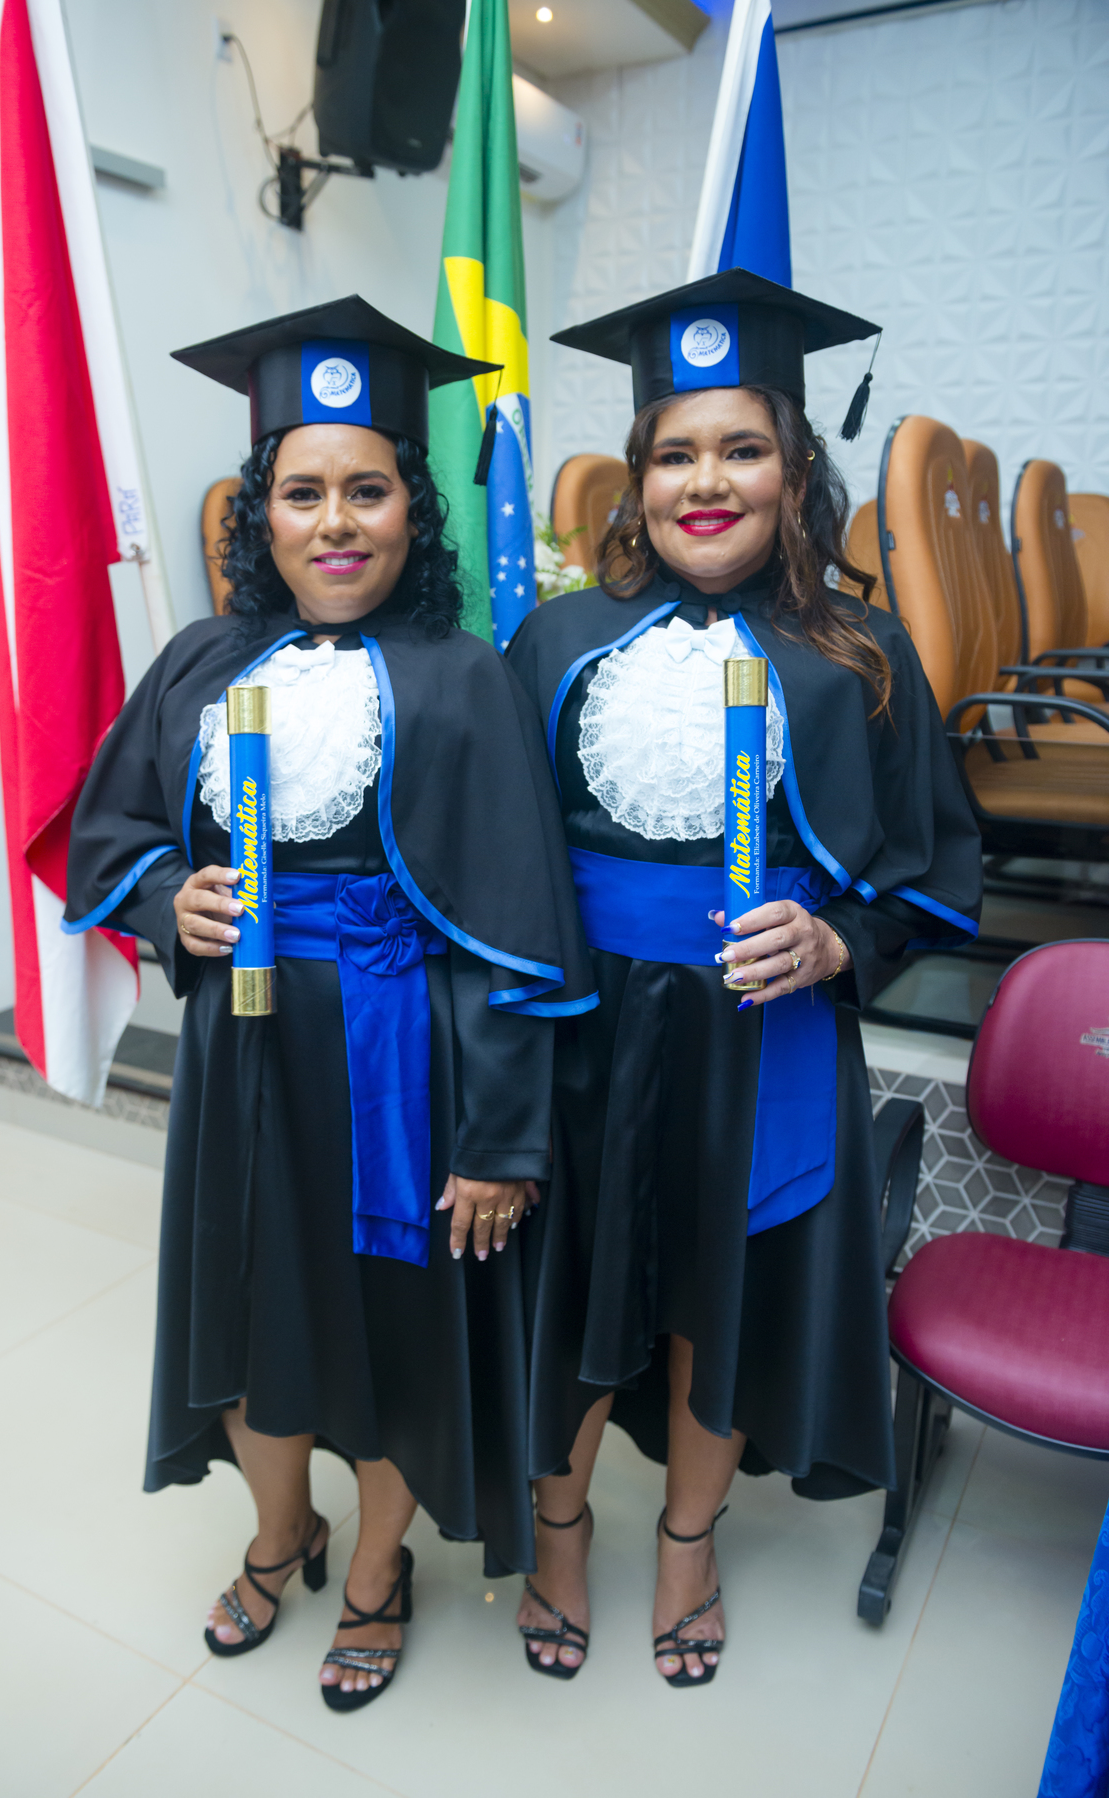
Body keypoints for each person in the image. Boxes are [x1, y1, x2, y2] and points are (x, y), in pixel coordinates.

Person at [64, 297, 595, 1712]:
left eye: (369, 489)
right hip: (241, 1056)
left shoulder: (464, 677)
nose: (336, 521)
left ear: (414, 510)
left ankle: (372, 1567)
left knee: (387, 1327)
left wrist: (501, 1135)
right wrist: (166, 895)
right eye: (303, 492)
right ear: (262, 512)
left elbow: (516, 929)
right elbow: (113, 834)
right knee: (246, 1307)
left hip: (401, 1055)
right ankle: (277, 1528)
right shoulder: (198, 661)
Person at [507, 269, 983, 1687]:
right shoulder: (553, 643)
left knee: (720, 1292)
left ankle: (689, 1544)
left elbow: (932, 862)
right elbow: (491, 852)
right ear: (636, 477)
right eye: (675, 453)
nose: (706, 482)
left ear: (795, 469)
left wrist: (840, 939)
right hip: (585, 1024)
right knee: (569, 1286)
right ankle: (557, 1529)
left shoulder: (860, 653)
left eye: (742, 449)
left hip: (761, 1034)